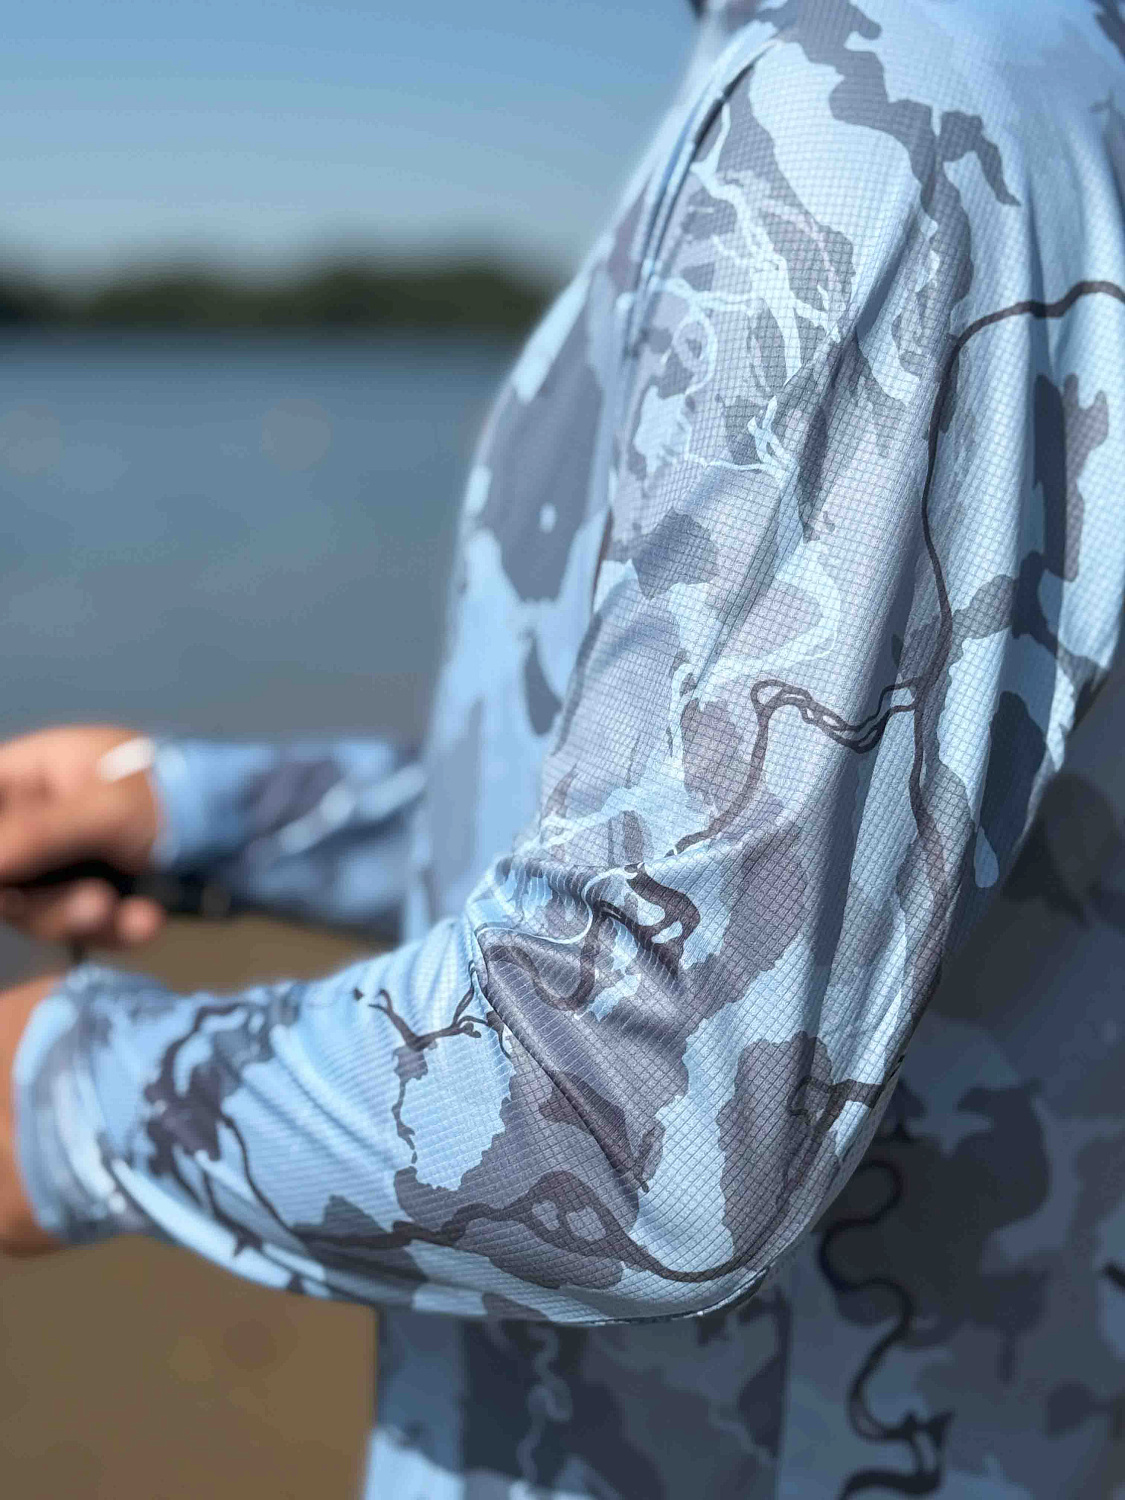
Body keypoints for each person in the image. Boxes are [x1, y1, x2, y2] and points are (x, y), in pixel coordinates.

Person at [0, 0, 1123, 1493]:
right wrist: (208, 814)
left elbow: (633, 1106)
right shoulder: (900, 79)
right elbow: (763, 840)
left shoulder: (880, 112)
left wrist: (69, 1096)